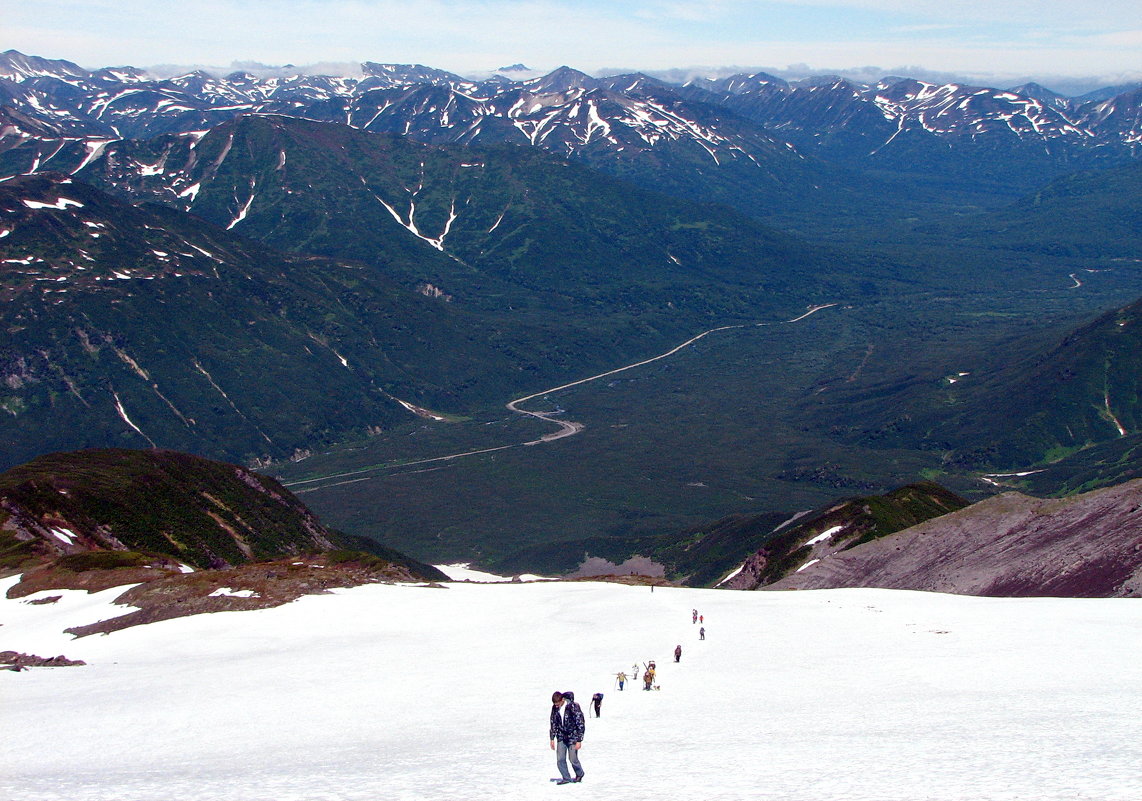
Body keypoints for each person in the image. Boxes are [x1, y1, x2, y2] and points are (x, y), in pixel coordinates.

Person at [549, 690, 585, 784]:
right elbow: (553, 722)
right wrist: (552, 738)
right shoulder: (555, 708)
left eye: (557, 703)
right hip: (561, 736)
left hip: (572, 736)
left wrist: (579, 740)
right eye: (555, 704)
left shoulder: (573, 706)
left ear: (562, 700)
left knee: (573, 759)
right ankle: (566, 778)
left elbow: (580, 722)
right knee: (560, 759)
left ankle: (579, 773)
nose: (556, 706)